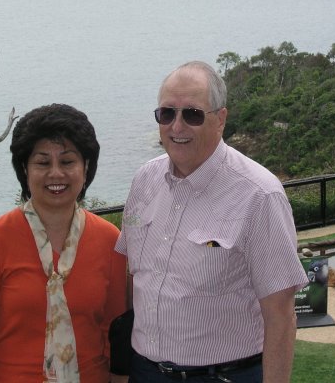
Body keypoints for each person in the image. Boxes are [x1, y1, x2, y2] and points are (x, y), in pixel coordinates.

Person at [116, 61, 309, 383]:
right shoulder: (144, 180)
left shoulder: (260, 196)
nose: (177, 127)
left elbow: (281, 317)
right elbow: (132, 275)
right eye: (167, 113)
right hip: (144, 371)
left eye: (192, 114)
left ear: (220, 120)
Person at [0, 103, 128, 383]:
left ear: (86, 168)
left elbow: (113, 332)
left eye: (67, 162)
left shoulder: (109, 240)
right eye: (42, 162)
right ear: (25, 169)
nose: (55, 174)